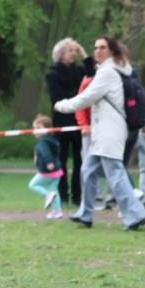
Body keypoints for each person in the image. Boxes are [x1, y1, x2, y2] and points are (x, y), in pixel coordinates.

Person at [54, 36, 145, 231]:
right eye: (95, 47)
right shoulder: (112, 69)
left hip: (110, 132)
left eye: (102, 47)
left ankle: (136, 214)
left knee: (115, 174)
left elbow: (86, 98)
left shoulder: (108, 72)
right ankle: (85, 214)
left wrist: (61, 105)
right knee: (87, 171)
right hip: (103, 133)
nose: (97, 51)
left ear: (112, 50)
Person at [45, 38, 90, 206]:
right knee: (61, 160)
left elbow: (91, 70)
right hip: (62, 121)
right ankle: (63, 195)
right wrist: (80, 96)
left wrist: (82, 51)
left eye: (74, 51)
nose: (73, 54)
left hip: (79, 121)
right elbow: (56, 97)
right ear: (61, 54)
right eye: (70, 51)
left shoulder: (79, 71)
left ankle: (77, 196)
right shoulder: (52, 74)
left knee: (80, 160)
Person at [26, 115, 63, 219]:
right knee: (54, 191)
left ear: (47, 129)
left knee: (33, 185)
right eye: (34, 128)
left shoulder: (42, 142)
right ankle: (57, 212)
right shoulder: (52, 140)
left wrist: (49, 162)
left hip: (48, 171)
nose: (35, 131)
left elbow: (46, 153)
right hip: (57, 171)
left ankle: (47, 195)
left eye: (38, 128)